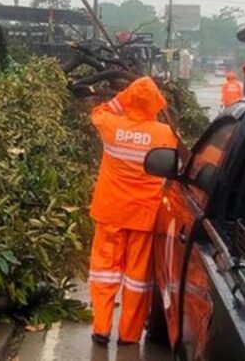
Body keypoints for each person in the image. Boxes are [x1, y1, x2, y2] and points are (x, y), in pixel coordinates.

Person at [88, 76, 179, 346]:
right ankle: (129, 335)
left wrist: (123, 99)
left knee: (104, 272)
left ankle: (101, 329)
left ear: (129, 98)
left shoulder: (110, 125)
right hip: (143, 215)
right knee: (137, 279)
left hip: (110, 212)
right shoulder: (164, 134)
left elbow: (98, 111)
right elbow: (176, 162)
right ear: (156, 102)